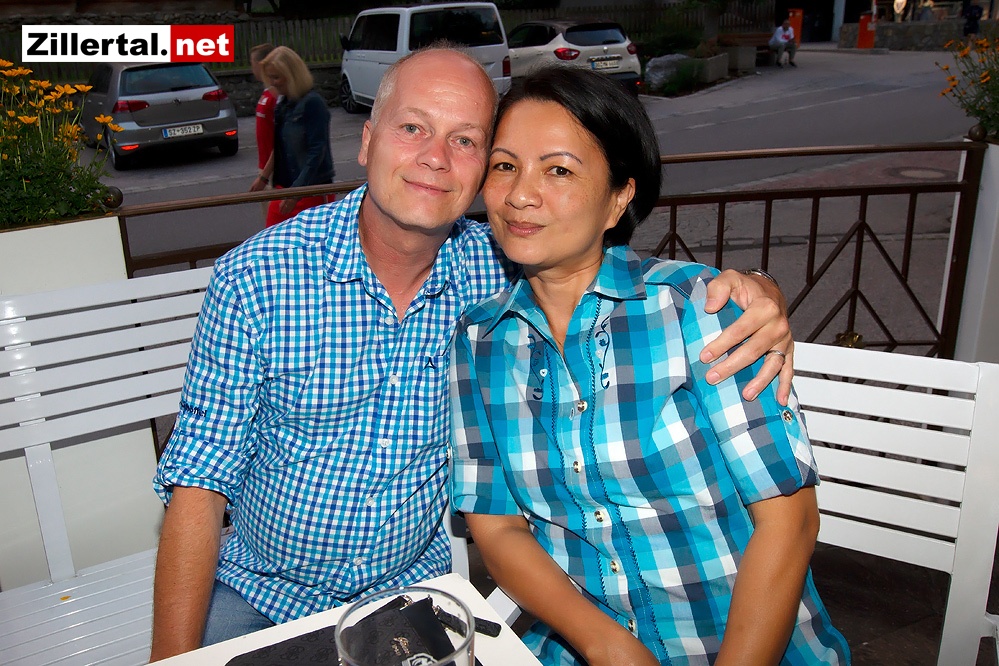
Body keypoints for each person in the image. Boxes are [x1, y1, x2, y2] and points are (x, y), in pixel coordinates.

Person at [149, 46, 795, 662]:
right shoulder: (257, 278)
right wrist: (169, 662)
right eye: (412, 128)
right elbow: (198, 484)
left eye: (465, 141)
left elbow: (596, 256)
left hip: (408, 598)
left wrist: (756, 289)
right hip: (263, 593)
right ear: (367, 140)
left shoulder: (499, 272)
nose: (435, 158)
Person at [449, 66, 849, 666]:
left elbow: (788, 522)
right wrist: (608, 647)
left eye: (559, 170)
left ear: (619, 197)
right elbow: (499, 528)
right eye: (505, 166)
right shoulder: (479, 342)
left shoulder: (697, 310)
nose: (520, 195)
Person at [249, 46, 334, 227]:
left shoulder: (313, 104)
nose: (273, 83)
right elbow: (279, 146)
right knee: (272, 236)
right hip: (286, 187)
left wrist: (298, 190)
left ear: (291, 75)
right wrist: (264, 177)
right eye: (270, 77)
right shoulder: (283, 104)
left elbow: (317, 152)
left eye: (276, 77)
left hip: (310, 189)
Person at [249, 43, 276, 219]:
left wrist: (265, 176)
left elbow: (281, 140)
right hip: (264, 165)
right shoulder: (266, 95)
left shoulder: (275, 97)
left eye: (253, 64)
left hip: (273, 170)